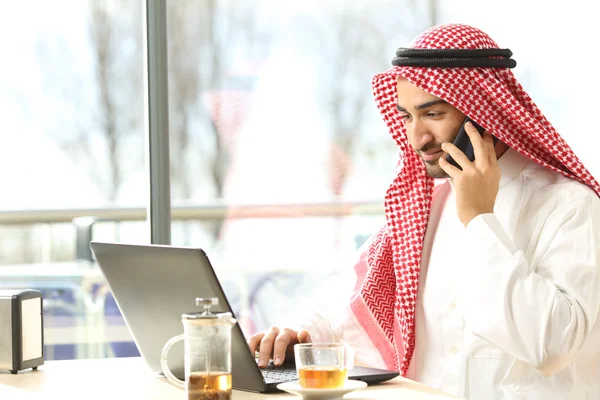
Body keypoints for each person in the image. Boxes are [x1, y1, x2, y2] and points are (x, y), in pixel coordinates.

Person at [247, 23, 600, 399]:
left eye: (432, 114)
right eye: (407, 117)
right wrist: (297, 330)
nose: (417, 138)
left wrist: (479, 218)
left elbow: (551, 346)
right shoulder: (426, 201)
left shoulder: (570, 205)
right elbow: (354, 295)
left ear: (484, 111)